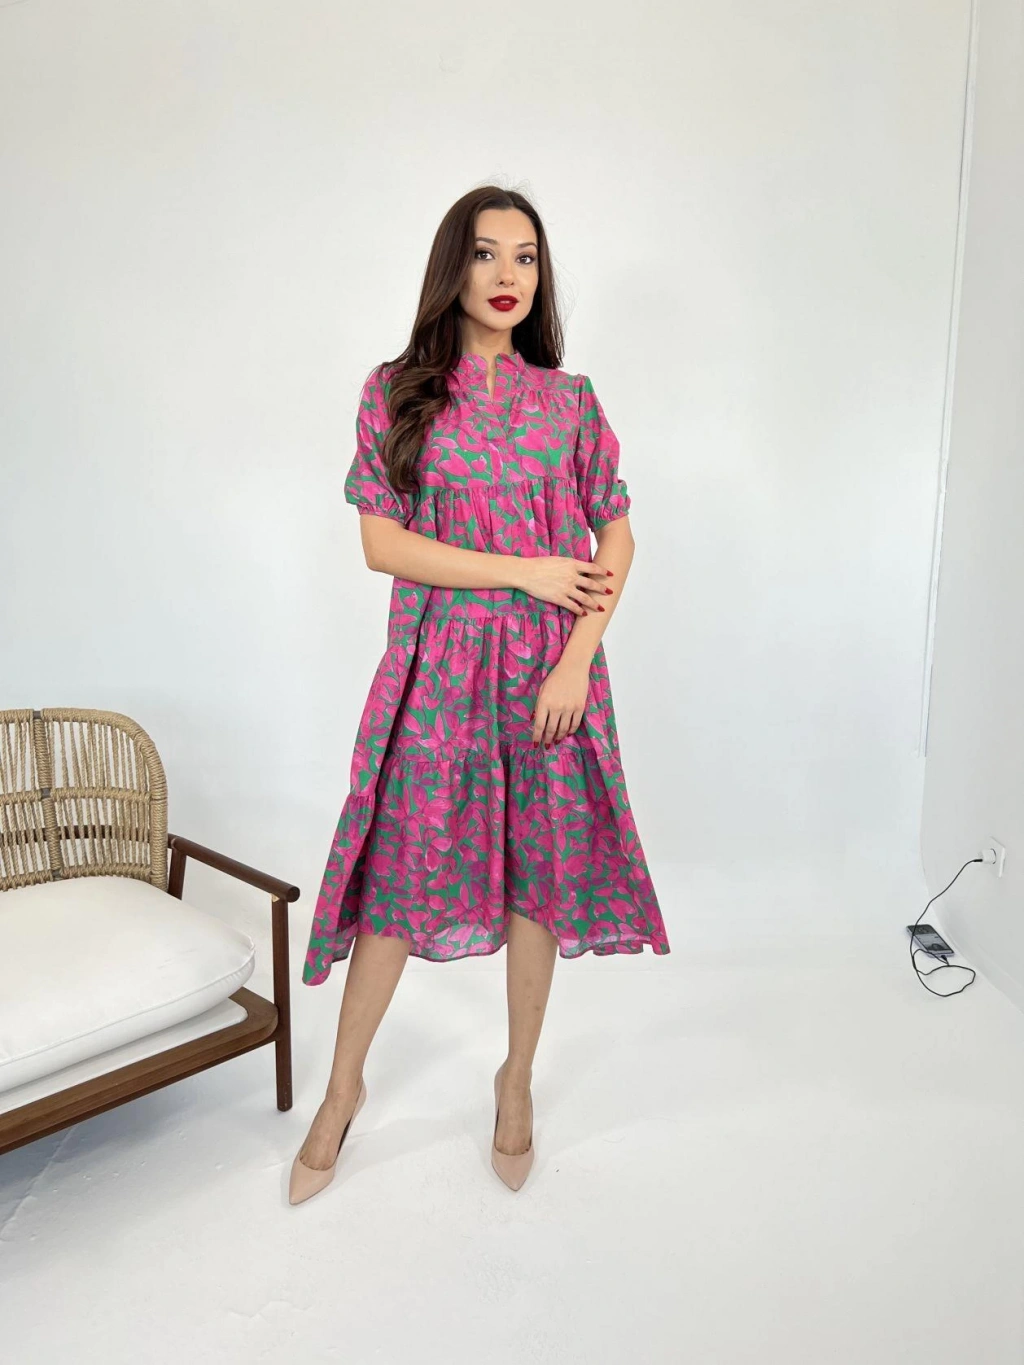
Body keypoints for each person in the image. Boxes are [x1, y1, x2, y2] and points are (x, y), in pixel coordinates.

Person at [289, 185, 670, 1205]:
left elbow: (618, 533)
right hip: (439, 672)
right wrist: (525, 570)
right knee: (398, 877)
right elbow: (382, 545)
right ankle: (342, 1089)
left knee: (539, 875)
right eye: (487, 253)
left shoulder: (570, 401)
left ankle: (516, 1080)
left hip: (549, 674)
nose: (508, 276)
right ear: (452, 267)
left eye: (527, 257)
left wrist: (578, 658)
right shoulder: (396, 392)